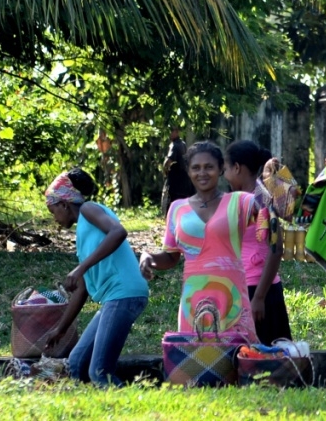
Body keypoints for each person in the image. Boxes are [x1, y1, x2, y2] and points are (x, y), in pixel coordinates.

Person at [141, 141, 258, 341]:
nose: (202, 173)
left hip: (232, 295)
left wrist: (276, 185)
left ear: (221, 169)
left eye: (209, 167)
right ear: (188, 171)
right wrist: (147, 257)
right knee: (195, 360)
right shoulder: (177, 209)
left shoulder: (240, 201)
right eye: (196, 168)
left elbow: (270, 208)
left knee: (237, 355)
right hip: (193, 298)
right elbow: (171, 257)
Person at [42, 168, 148, 386]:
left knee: (99, 373)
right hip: (114, 297)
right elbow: (82, 289)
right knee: (76, 365)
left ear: (64, 203)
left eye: (53, 212)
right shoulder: (83, 234)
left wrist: (80, 267)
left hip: (124, 293)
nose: (55, 219)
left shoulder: (89, 209)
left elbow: (118, 232)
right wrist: (60, 330)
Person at [224, 140, 292, 344]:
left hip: (260, 289)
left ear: (237, 168)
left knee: (267, 360)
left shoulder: (261, 200)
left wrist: (260, 297)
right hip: (240, 287)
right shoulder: (235, 200)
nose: (224, 176)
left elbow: (276, 249)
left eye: (225, 169)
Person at [160, 128, 193, 212]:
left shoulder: (174, 145)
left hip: (175, 182)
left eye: (171, 131)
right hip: (184, 181)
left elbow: (169, 161)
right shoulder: (183, 144)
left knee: (172, 205)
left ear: (177, 132)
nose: (170, 133)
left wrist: (164, 169)